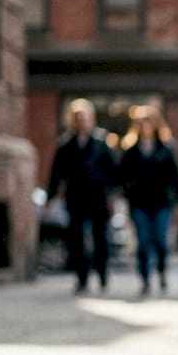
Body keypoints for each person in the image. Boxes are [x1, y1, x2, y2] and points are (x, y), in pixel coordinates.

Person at [47, 98, 119, 295]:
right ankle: (82, 279)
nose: (83, 122)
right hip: (76, 198)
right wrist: (50, 197)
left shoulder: (102, 142)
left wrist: (114, 195)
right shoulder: (65, 144)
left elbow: (114, 172)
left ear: (92, 119)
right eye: (79, 118)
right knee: (77, 241)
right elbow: (56, 173)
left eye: (86, 118)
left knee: (100, 239)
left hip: (98, 198)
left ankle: (103, 275)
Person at [119, 105, 178, 296]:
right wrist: (127, 194)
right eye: (140, 123)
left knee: (161, 241)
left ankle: (162, 271)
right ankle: (145, 278)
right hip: (139, 203)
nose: (144, 126)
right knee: (143, 241)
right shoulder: (131, 150)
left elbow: (176, 176)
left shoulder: (167, 148)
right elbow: (123, 176)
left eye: (147, 122)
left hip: (162, 202)